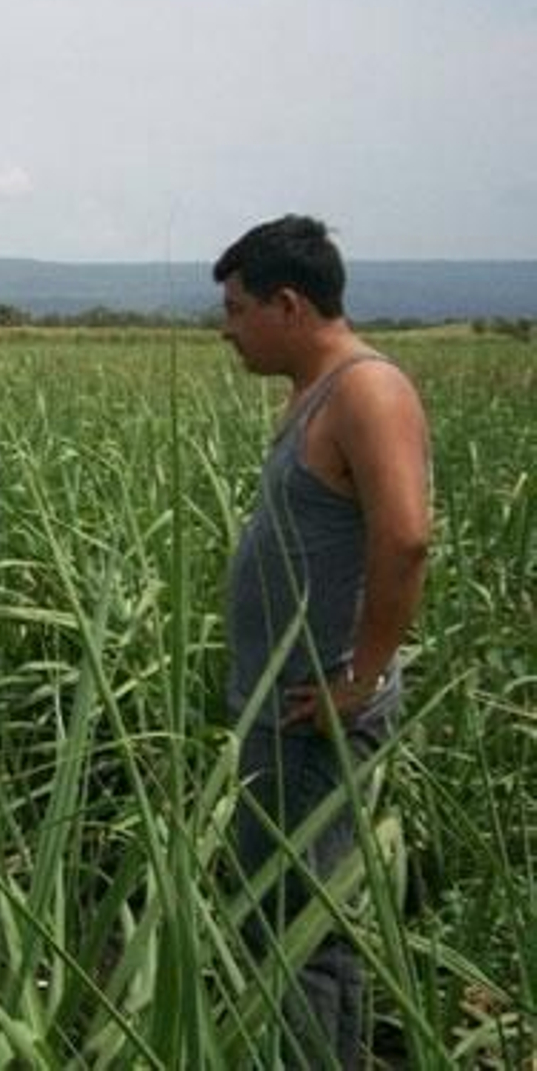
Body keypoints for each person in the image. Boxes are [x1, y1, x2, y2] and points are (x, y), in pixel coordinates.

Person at [215, 215, 431, 1069]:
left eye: (237, 308)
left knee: (304, 920)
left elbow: (406, 537)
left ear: (289, 304)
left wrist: (361, 678)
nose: (227, 327)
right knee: (286, 911)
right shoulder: (315, 390)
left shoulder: (368, 390)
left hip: (317, 708)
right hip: (287, 703)